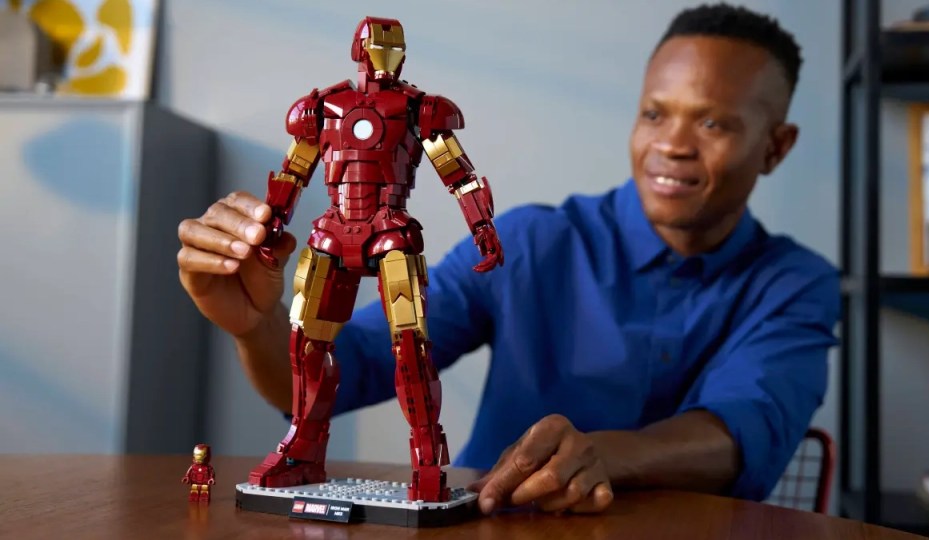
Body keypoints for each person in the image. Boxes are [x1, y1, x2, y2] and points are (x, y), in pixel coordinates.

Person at [177, 3, 839, 516]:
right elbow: (352, 370)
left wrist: (605, 453)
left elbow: (745, 430)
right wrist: (257, 328)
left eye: (713, 123)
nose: (672, 145)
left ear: (776, 147)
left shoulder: (795, 285)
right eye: (654, 114)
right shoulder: (532, 241)